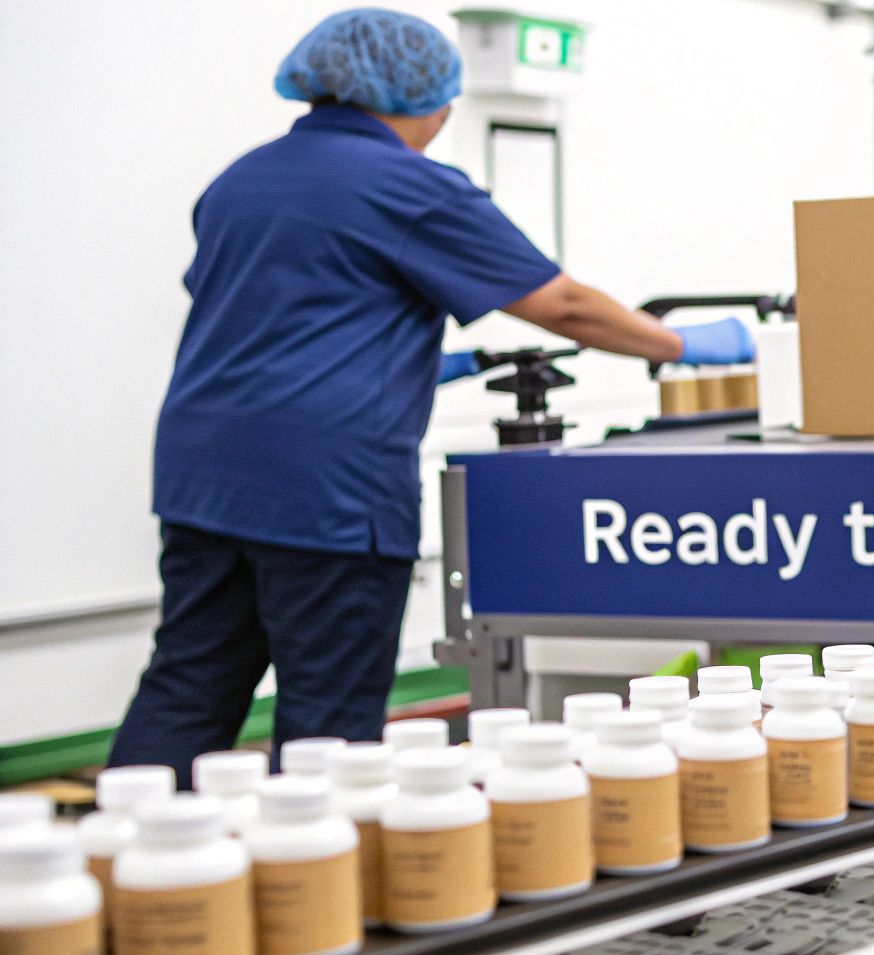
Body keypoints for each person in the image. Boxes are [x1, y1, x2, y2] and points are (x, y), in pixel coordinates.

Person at [108, 9, 752, 788]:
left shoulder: (240, 181)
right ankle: (312, 893)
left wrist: (439, 361)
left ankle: (140, 880)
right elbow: (563, 306)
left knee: (190, 684)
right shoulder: (408, 185)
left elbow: (284, 318)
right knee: (328, 717)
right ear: (425, 101)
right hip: (326, 491)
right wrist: (687, 345)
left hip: (202, 477)